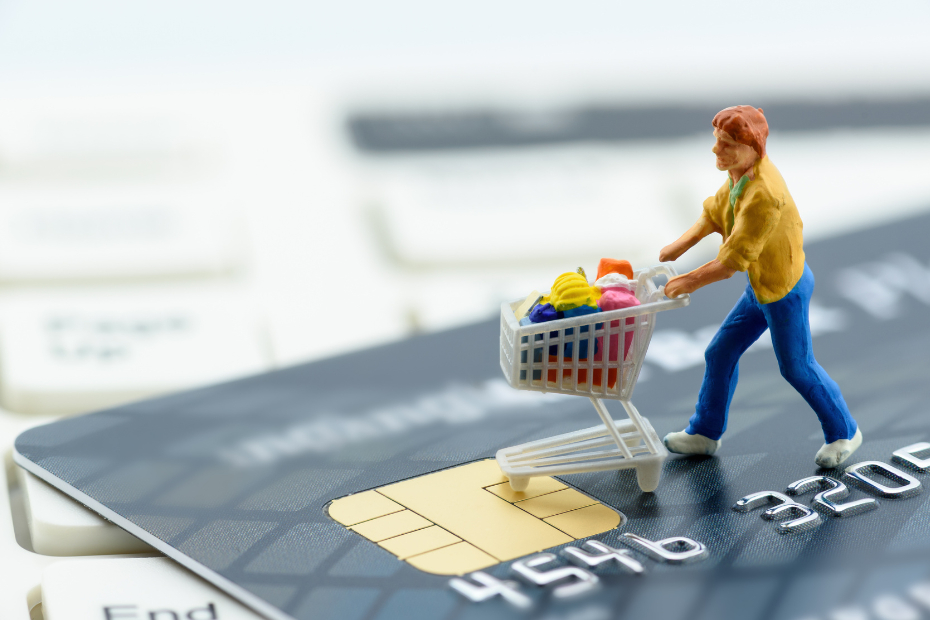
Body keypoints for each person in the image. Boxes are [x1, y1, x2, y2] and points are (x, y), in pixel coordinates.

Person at [659, 105, 861, 469]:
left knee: (798, 368)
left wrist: (687, 280)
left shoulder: (764, 195)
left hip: (784, 291)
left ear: (753, 146)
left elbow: (732, 262)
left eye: (726, 144)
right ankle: (705, 432)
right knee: (719, 353)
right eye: (717, 141)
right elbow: (713, 212)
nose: (716, 150)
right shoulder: (739, 175)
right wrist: (678, 247)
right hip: (761, 286)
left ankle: (845, 431)